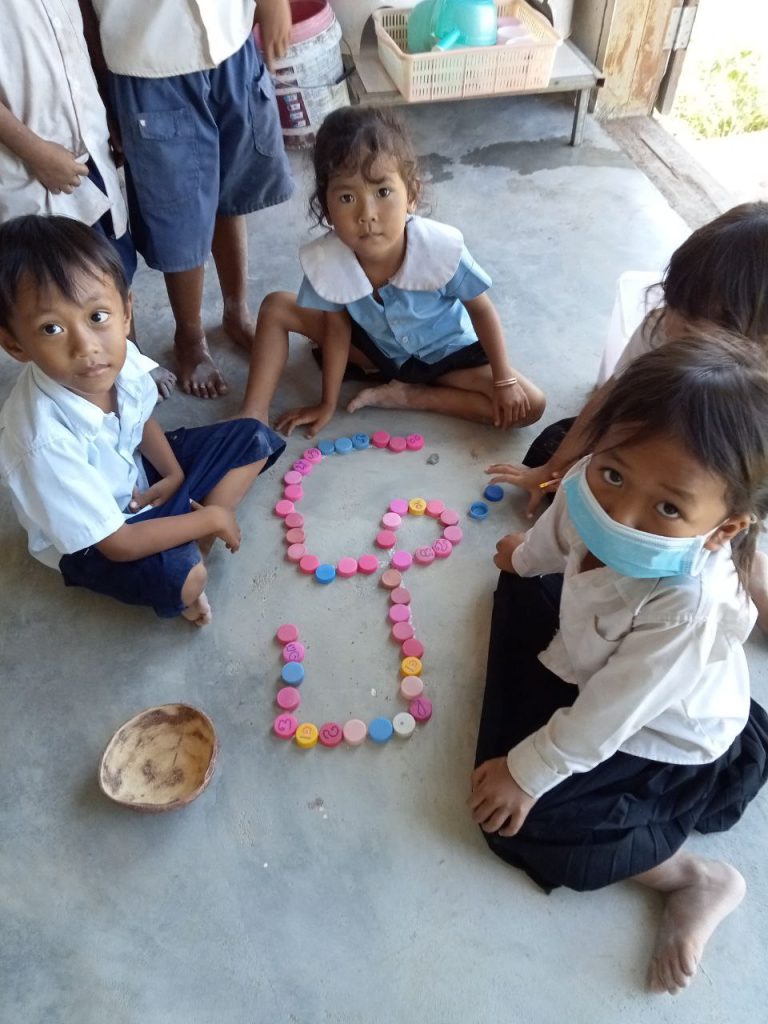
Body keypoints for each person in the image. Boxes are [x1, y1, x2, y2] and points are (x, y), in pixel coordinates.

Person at [472, 332, 768, 995]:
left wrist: (530, 771)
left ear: (723, 530)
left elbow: (612, 713)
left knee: (526, 822)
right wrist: (524, 558)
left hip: (655, 730)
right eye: (612, 473)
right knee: (517, 587)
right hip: (604, 664)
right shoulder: (592, 485)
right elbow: (562, 525)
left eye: (669, 508)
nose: (620, 514)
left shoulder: (687, 607)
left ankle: (692, 878)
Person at [0, 215, 284, 625]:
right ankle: (196, 530)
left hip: (139, 480)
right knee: (186, 578)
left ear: (126, 311)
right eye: (52, 328)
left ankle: (193, 530)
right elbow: (117, 544)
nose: (86, 347)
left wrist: (169, 473)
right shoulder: (40, 442)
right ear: (14, 345)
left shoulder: (118, 357)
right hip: (96, 539)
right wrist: (211, 516)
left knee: (254, 438)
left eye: (97, 316)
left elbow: (139, 419)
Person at [239, 106, 545, 436]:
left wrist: (504, 379)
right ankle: (251, 417)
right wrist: (327, 403)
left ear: (411, 195)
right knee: (276, 307)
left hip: (446, 356)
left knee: (530, 404)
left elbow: (482, 311)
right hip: (377, 350)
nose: (366, 214)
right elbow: (336, 329)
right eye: (345, 197)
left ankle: (415, 397)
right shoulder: (328, 260)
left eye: (382, 192)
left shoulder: (440, 248)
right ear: (326, 209)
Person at [487, 201, 768, 516]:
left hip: (708, 481)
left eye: (692, 322)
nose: (672, 325)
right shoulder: (661, 328)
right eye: (674, 302)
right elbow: (611, 394)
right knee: (553, 445)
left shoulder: (754, 402)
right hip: (648, 431)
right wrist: (554, 468)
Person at [77, 0, 295, 399]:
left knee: (230, 193)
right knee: (181, 214)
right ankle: (190, 338)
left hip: (231, 43)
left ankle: (235, 310)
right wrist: (102, 86)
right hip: (151, 63)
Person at [0, 0, 176, 400]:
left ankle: (128, 359)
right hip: (28, 169)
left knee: (109, 268)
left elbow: (77, 35)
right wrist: (35, 153)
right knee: (52, 290)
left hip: (86, 144)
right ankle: (79, 394)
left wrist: (108, 110)